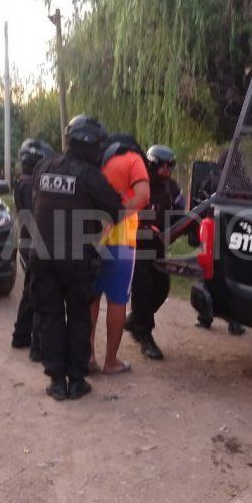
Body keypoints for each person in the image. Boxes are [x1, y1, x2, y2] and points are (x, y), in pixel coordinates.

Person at [30, 116, 121, 401]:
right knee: (79, 316)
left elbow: (36, 202)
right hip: (76, 259)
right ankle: (77, 380)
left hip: (43, 256)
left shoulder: (44, 167)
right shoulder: (90, 176)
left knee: (50, 316)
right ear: (92, 145)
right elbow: (115, 210)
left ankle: (57, 382)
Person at [89, 133, 150, 374]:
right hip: (121, 242)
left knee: (90, 299)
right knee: (117, 300)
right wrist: (120, 214)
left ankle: (88, 356)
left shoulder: (96, 160)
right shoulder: (133, 159)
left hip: (92, 239)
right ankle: (110, 362)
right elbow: (143, 195)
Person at [124, 144, 185, 359]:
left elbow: (180, 214)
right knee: (144, 287)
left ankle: (135, 320)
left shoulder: (172, 188)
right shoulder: (137, 185)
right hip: (136, 247)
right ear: (152, 164)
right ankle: (145, 335)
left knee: (162, 287)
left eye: (171, 166)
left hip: (158, 248)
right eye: (164, 166)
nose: (167, 170)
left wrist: (185, 226)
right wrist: (143, 225)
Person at [195, 148, 245, 336]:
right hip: (232, 232)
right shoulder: (242, 182)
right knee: (229, 275)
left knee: (210, 273)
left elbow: (199, 204)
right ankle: (232, 321)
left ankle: (207, 318)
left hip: (217, 232)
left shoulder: (215, 179)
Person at [11, 138, 54, 361]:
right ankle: (38, 347)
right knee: (40, 294)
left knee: (30, 291)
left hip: (29, 242)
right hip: (34, 243)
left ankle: (21, 334)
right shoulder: (28, 184)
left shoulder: (24, 180)